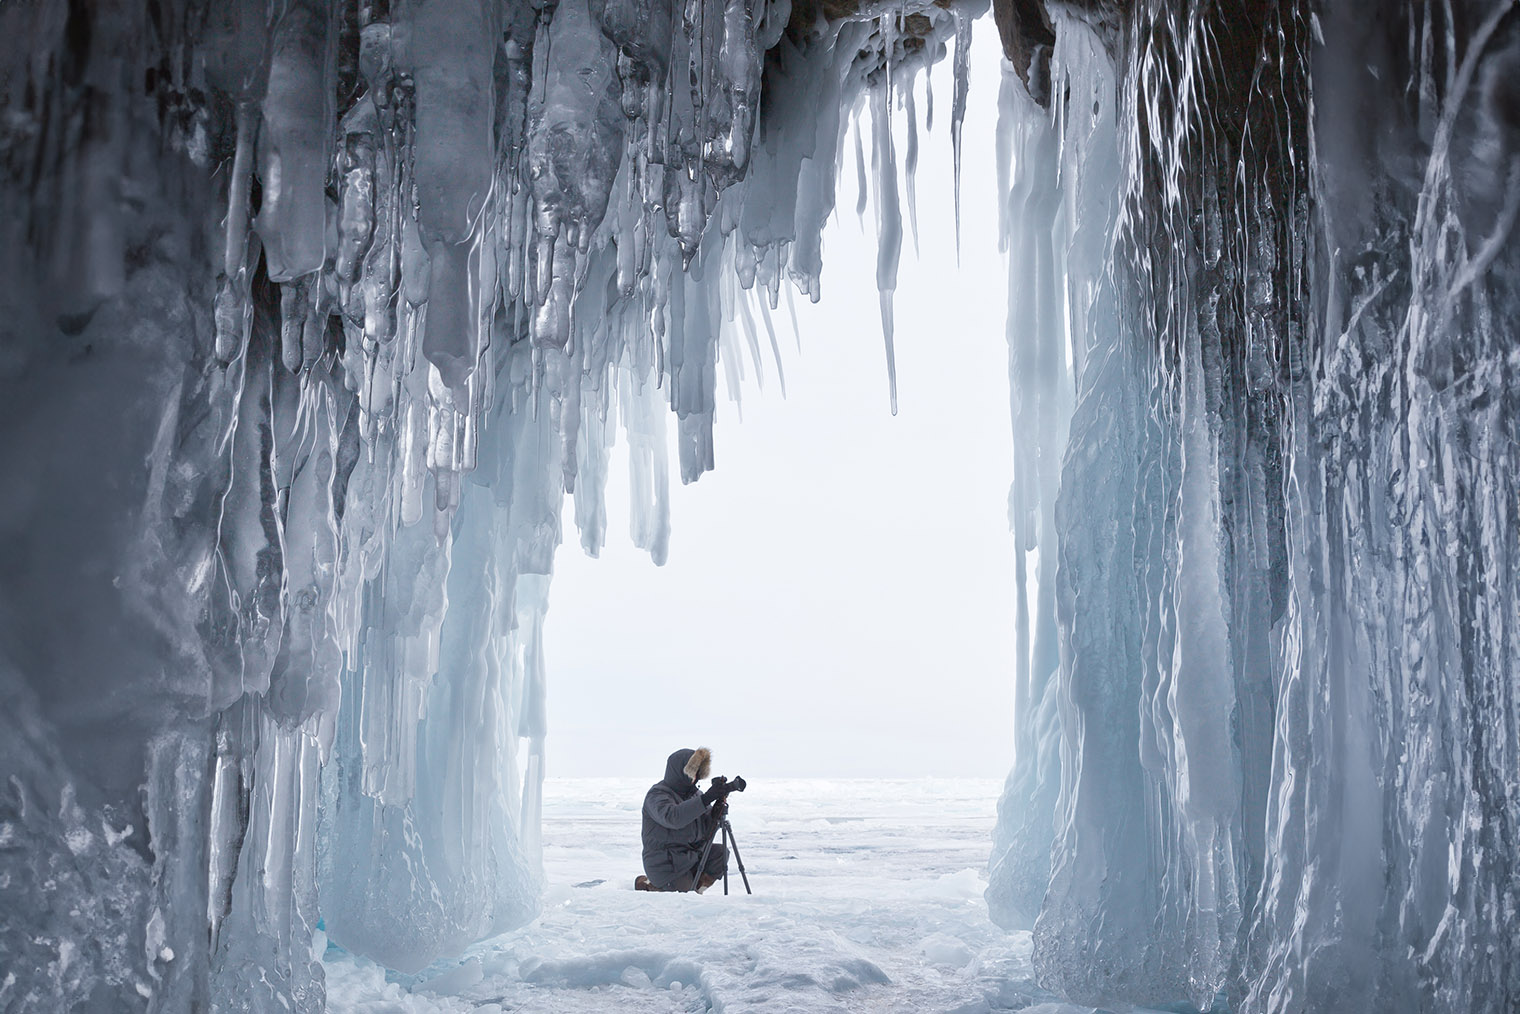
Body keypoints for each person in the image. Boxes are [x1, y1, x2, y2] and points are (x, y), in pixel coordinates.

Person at [635, 747, 729, 893]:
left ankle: (695, 888)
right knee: (682, 891)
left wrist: (716, 809)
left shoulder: (695, 794)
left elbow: (705, 831)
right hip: (665, 863)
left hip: (688, 857)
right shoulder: (657, 795)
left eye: (698, 773)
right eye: (693, 772)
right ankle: (648, 884)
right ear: (681, 772)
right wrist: (706, 799)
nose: (695, 777)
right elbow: (673, 818)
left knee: (720, 853)